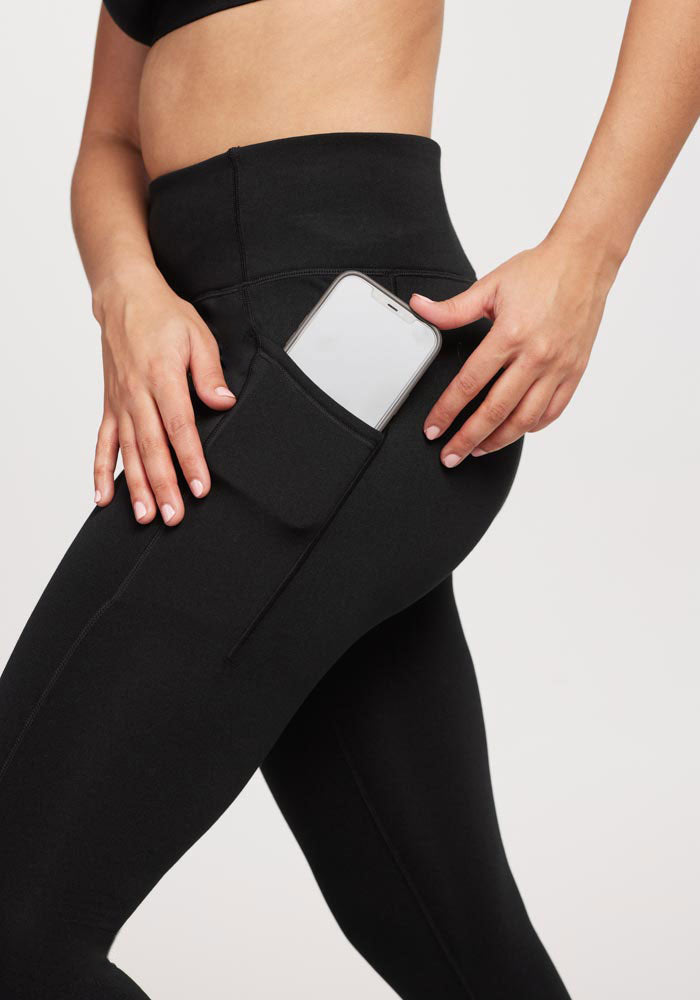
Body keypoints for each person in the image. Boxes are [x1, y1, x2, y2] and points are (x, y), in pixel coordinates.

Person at [0, 1, 697, 997]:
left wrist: (588, 253)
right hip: (224, 379)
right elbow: (109, 139)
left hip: (343, 357)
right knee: (463, 955)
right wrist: (127, 288)